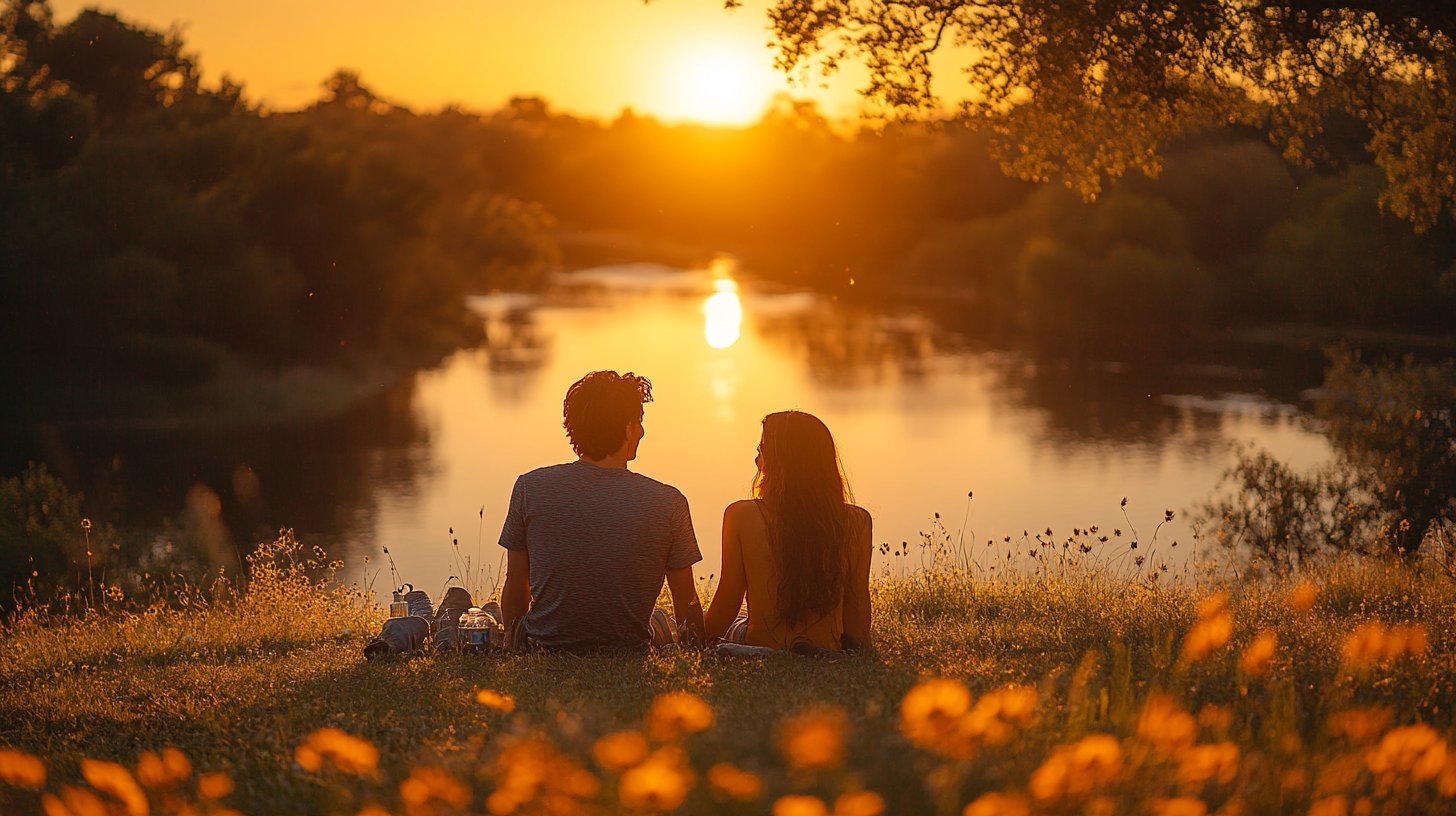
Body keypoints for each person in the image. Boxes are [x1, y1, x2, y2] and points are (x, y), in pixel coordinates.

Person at [498, 370, 706, 652]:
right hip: (628, 647)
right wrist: (698, 651)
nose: (642, 431)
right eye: (639, 422)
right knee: (660, 620)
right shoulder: (668, 502)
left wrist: (515, 646)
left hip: (543, 644)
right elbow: (686, 602)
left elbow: (515, 589)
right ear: (628, 429)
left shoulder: (529, 488)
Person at [704, 410, 873, 653]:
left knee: (732, 620)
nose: (756, 461)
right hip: (826, 648)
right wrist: (861, 652)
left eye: (761, 450)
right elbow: (856, 603)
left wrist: (699, 644)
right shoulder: (857, 521)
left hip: (761, 646)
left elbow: (728, 602)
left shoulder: (740, 515)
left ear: (777, 460)